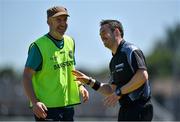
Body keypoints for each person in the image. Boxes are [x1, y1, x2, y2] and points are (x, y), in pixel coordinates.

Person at [72, 19, 153, 121]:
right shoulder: (113, 61)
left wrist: (119, 92)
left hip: (139, 108)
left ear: (116, 32)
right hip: (125, 110)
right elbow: (111, 89)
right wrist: (89, 81)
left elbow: (142, 75)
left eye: (104, 32)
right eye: (100, 34)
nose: (101, 36)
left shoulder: (130, 50)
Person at [23, 6, 89, 121]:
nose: (63, 23)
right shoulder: (38, 46)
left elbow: (71, 68)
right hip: (46, 109)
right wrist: (35, 103)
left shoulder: (70, 42)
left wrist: (80, 86)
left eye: (65, 20)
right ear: (49, 22)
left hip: (68, 107)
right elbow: (26, 77)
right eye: (58, 20)